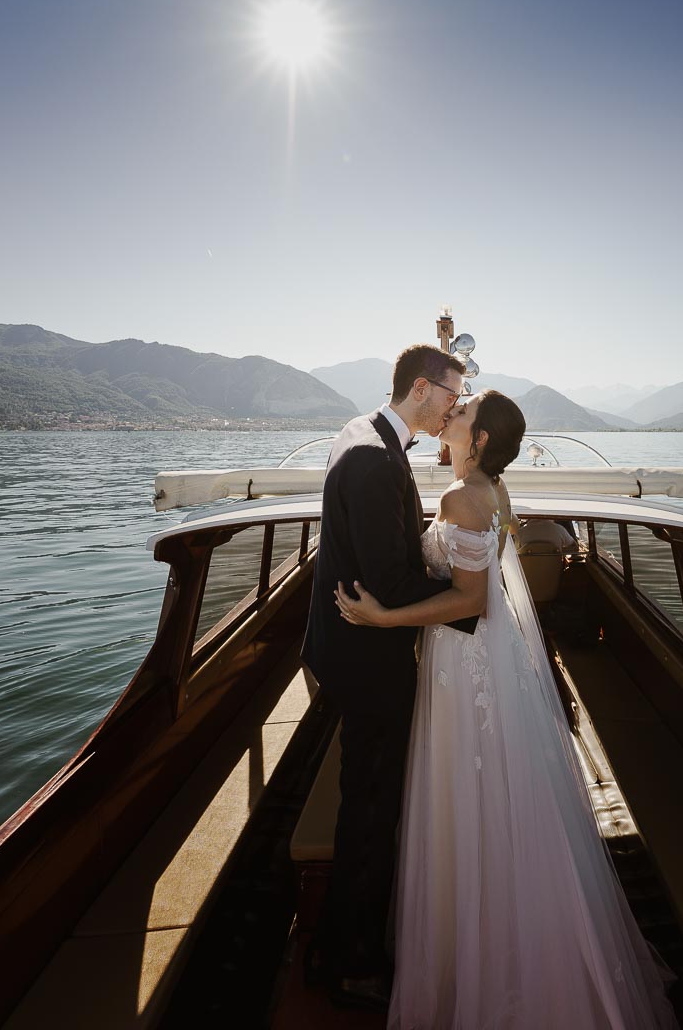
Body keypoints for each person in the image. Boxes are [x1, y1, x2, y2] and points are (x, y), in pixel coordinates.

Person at [337, 390, 679, 1030]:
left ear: (481, 438)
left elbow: (472, 601)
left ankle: (474, 962)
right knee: (497, 795)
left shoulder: (461, 497)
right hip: (486, 664)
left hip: (462, 663)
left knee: (467, 795)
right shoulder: (495, 491)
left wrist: (384, 617)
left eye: (460, 415)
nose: (448, 419)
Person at [302, 343, 479, 1010]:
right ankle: (351, 958)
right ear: (423, 390)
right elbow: (390, 583)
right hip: (366, 664)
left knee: (366, 799)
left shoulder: (361, 432)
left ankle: (342, 940)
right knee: (372, 808)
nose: (455, 407)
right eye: (452, 396)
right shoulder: (377, 462)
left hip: (343, 650)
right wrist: (471, 605)